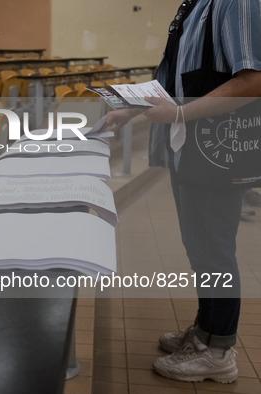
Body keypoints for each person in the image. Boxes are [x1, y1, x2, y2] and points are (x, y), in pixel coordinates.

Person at [104, 0, 261, 383]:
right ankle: (206, 332)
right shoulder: (194, 4)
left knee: (214, 249)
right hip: (188, 149)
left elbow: (254, 79)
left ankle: (218, 351)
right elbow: (172, 77)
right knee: (200, 246)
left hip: (215, 148)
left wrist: (178, 113)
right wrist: (129, 109)